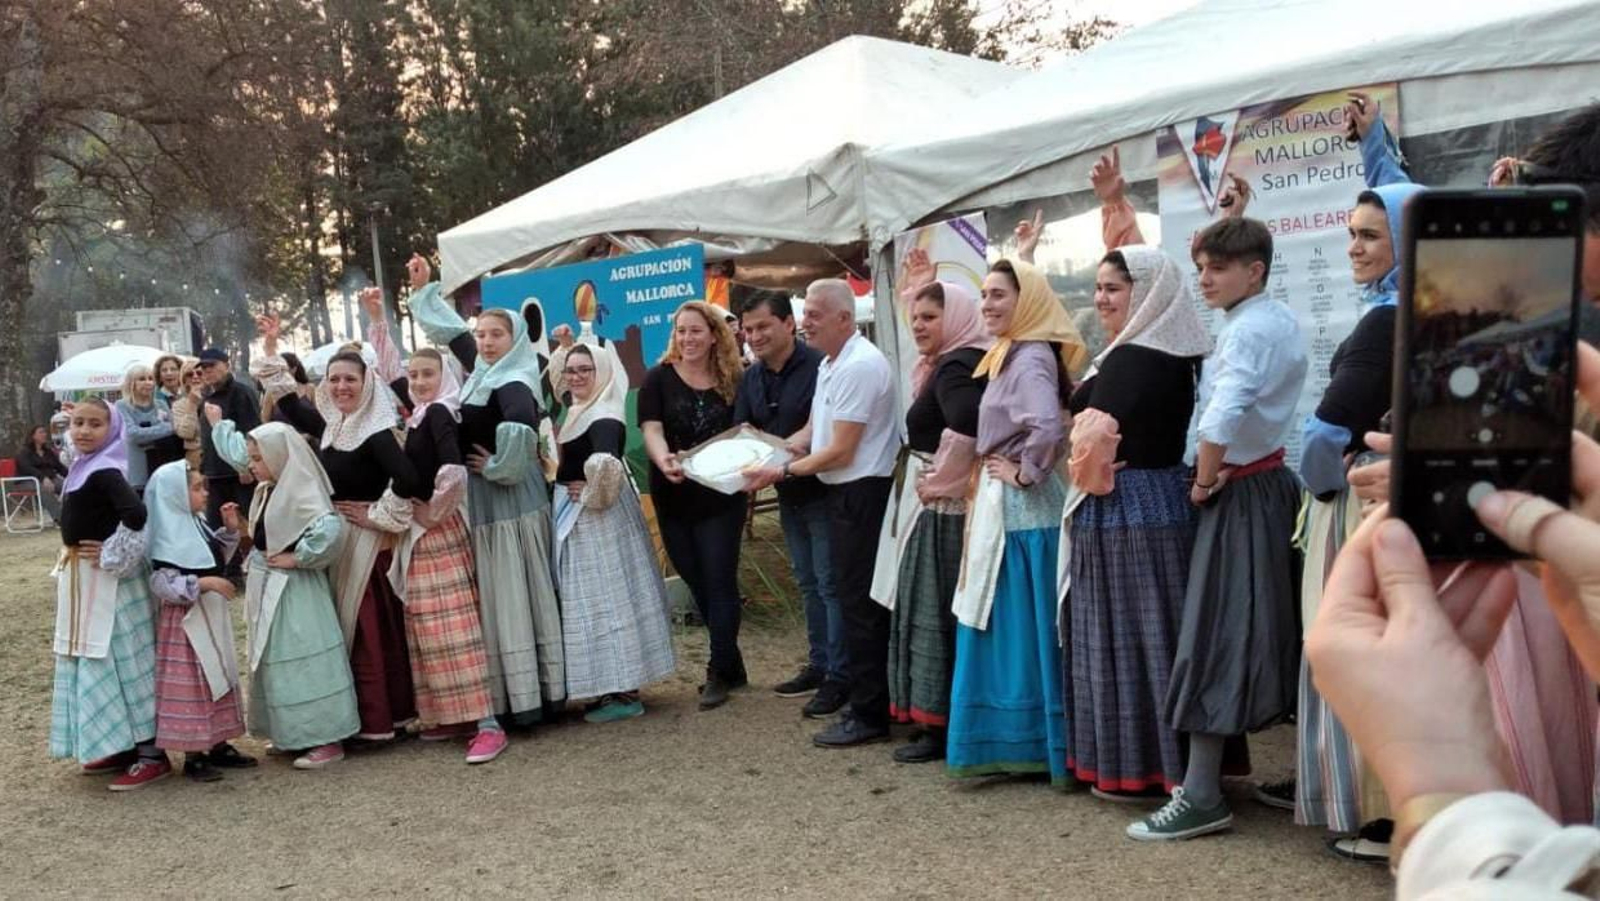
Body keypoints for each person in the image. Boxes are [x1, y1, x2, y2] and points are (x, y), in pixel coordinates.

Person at [1128, 218, 1308, 841]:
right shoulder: (1264, 320)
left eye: (1218, 268)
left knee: (1212, 634)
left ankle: (1203, 795)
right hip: (1260, 485)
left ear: (1253, 271)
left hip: (1237, 488)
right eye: (1202, 267)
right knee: (1262, 634)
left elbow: (1225, 413)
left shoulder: (1252, 328)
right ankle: (1305, 776)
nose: (1204, 279)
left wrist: (1203, 481)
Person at [1281, 180, 1425, 856]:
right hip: (1411, 507)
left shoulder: (1384, 320)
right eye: (1349, 233)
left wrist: (1316, 483)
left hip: (1361, 507)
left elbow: (1326, 430)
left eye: (1370, 234)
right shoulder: (1436, 309)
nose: (1354, 247)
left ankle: (1379, 815)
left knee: (1354, 654)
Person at [1064, 245, 1210, 801]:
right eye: (1099, 287)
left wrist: (1082, 449)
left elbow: (1088, 444)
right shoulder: (1168, 354)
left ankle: (1140, 767)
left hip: (1125, 509)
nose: (1101, 299)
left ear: (1144, 294)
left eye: (1114, 289)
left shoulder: (1132, 357)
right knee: (1161, 636)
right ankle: (1176, 764)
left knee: (1127, 637)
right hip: (1163, 502)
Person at [944, 258, 1085, 783]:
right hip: (1009, 511)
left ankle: (1032, 741)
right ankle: (1020, 739)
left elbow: (1046, 424)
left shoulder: (1027, 359)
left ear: (1025, 302)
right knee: (1006, 620)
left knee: (1018, 623)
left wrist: (1026, 472)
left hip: (1025, 515)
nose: (988, 305)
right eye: (984, 296)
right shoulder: (1014, 353)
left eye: (1000, 295)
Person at [411, 254, 566, 725]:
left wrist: (498, 466)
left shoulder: (514, 378)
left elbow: (521, 428)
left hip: (510, 504)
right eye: (482, 335)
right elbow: (451, 333)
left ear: (515, 337)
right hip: (489, 502)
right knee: (502, 594)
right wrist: (423, 291)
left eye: (496, 335)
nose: (485, 342)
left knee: (516, 590)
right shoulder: (482, 370)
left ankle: (533, 695)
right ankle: (512, 694)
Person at [747, 279, 902, 748]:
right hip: (842, 494)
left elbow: (839, 450)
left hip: (861, 494)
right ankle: (864, 701)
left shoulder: (860, 365)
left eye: (814, 314)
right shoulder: (834, 363)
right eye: (805, 311)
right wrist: (778, 450)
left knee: (859, 607)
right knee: (848, 600)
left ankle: (869, 711)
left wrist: (782, 471)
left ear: (844, 319)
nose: (806, 321)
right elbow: (817, 428)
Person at [359, 290, 506, 763]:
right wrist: (378, 320)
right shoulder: (423, 412)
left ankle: (486, 721)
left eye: (428, 374)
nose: (418, 381)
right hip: (422, 538)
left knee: (455, 626)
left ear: (445, 377)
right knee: (425, 622)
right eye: (416, 375)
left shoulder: (442, 412)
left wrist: (430, 513)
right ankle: (451, 713)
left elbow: (454, 470)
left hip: (438, 534)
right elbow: (387, 372)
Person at [870, 262, 989, 763]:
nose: (918, 325)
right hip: (937, 502)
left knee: (932, 614)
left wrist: (942, 476)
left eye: (930, 317)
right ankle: (934, 720)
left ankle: (937, 725)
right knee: (930, 612)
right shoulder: (953, 362)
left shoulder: (956, 365)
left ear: (957, 318)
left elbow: (969, 423)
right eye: (914, 316)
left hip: (943, 510)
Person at [220, 420, 361, 769]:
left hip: (297, 594)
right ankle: (292, 732)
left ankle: (326, 737)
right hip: (271, 586)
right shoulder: (268, 490)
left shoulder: (303, 492)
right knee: (276, 661)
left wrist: (298, 558)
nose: (252, 464)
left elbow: (330, 531)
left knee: (306, 660)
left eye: (258, 458)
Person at [553, 342, 677, 723]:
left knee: (610, 600)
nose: (575, 377)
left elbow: (606, 463)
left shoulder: (604, 414)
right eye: (570, 370)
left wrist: (589, 493)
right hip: (582, 515)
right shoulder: (579, 409)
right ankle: (609, 685)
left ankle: (624, 691)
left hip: (598, 520)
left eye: (585, 370)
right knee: (592, 604)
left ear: (602, 373)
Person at [732, 290, 842, 714]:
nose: (754, 336)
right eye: (749, 329)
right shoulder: (752, 378)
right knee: (807, 581)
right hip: (787, 494)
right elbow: (743, 434)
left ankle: (839, 673)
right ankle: (820, 663)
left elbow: (825, 433)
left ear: (788, 324)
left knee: (830, 582)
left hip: (826, 490)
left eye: (763, 327)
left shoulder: (821, 368)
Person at [639, 300, 748, 710]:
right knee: (695, 576)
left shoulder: (734, 379)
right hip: (674, 493)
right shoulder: (658, 378)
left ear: (714, 335)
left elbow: (746, 432)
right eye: (681, 331)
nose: (687, 338)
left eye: (696, 330)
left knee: (719, 580)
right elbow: (651, 428)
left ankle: (718, 669)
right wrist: (663, 456)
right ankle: (732, 661)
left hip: (721, 496)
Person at [49, 399, 163, 789]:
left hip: (109, 583)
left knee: (124, 661)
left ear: (112, 429)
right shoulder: (84, 467)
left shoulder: (107, 470)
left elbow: (136, 514)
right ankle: (123, 742)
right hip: (85, 578)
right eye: (78, 422)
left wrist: (111, 550)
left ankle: (152, 752)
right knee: (99, 660)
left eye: (95, 424)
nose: (83, 430)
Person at [144, 461, 256, 783]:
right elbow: (162, 583)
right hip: (185, 625)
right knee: (193, 683)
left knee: (218, 675)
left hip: (210, 615)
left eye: (203, 487)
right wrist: (203, 584)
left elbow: (212, 556)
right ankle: (194, 753)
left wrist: (230, 530)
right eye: (196, 488)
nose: (204, 493)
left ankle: (220, 742)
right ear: (175, 494)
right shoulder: (167, 535)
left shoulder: (195, 524)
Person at [196, 347, 260, 534]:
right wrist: (203, 469)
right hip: (214, 474)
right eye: (203, 368)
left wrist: (246, 466)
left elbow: (253, 431)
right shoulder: (206, 397)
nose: (207, 370)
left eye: (211, 365)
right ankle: (227, 563)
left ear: (226, 365)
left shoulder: (242, 393)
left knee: (254, 523)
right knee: (216, 529)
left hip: (238, 473)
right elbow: (205, 437)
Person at [115, 363, 175, 494]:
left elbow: (174, 429)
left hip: (161, 466)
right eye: (142, 379)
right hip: (137, 473)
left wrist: (150, 432)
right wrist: (163, 428)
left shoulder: (161, 404)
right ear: (132, 383)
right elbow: (133, 434)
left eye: (150, 378)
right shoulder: (122, 406)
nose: (147, 382)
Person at [17, 424, 68, 523]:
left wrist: (74, 476)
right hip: (27, 482)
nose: (44, 434)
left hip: (50, 479)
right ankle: (60, 518)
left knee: (68, 487)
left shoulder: (48, 452)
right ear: (33, 436)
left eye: (45, 432)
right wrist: (42, 478)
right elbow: (27, 468)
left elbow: (59, 467)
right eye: (41, 432)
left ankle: (72, 514)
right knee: (44, 488)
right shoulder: (24, 452)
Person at [170, 359, 205, 468]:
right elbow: (185, 433)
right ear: (184, 380)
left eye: (199, 373)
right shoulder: (178, 405)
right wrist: (192, 404)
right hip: (196, 456)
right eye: (190, 374)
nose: (195, 377)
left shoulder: (217, 398)